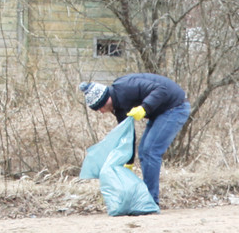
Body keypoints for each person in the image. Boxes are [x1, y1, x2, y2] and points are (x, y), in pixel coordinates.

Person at [81, 74, 192, 205]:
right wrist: (129, 161)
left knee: (150, 151)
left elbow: (162, 90)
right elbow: (128, 135)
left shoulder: (126, 87)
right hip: (159, 112)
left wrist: (144, 108)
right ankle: (147, 198)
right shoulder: (118, 108)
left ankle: (150, 201)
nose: (101, 111)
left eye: (100, 107)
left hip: (175, 106)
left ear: (105, 99)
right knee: (144, 151)